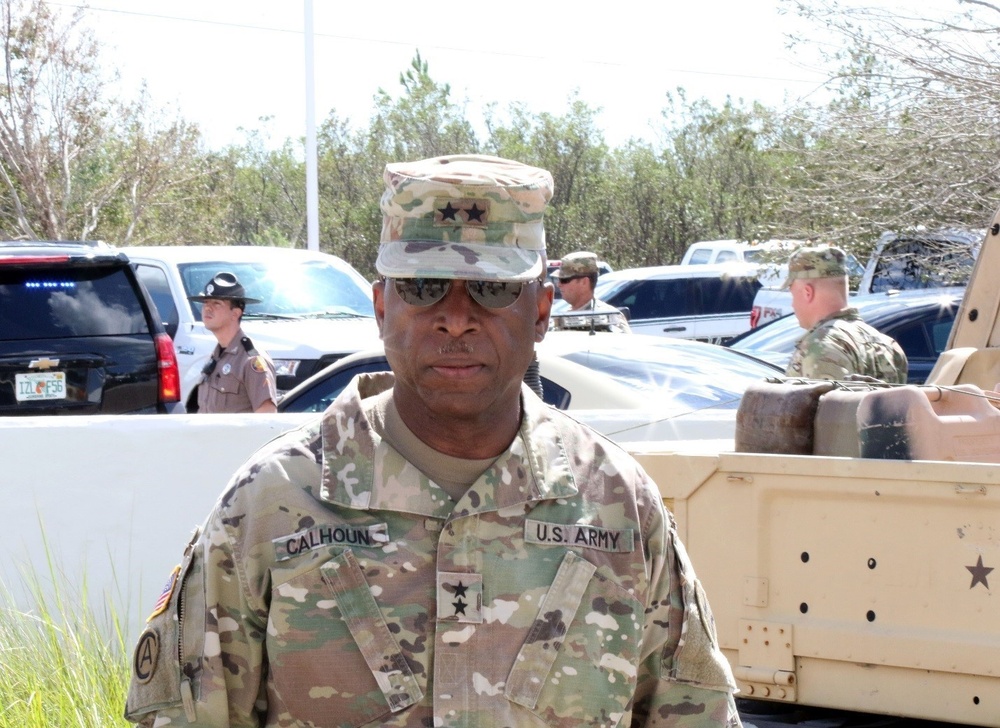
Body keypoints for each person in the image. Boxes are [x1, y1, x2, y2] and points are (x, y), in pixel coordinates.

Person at [125, 154, 740, 727]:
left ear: (543, 311)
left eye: (494, 288)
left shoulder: (617, 503)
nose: (456, 315)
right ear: (381, 308)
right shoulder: (273, 503)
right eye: (423, 286)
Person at [784, 244, 908, 383]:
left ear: (808, 293)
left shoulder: (822, 345)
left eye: (793, 295)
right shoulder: (887, 344)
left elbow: (821, 404)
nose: (792, 304)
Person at [188, 271, 278, 413]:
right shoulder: (217, 355)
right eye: (206, 302)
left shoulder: (252, 359)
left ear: (235, 313)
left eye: (216, 303)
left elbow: (266, 414)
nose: (207, 308)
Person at [551, 250, 631, 333]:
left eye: (564, 280)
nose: (559, 284)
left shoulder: (609, 319)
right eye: (558, 279)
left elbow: (626, 344)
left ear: (584, 282)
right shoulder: (559, 318)